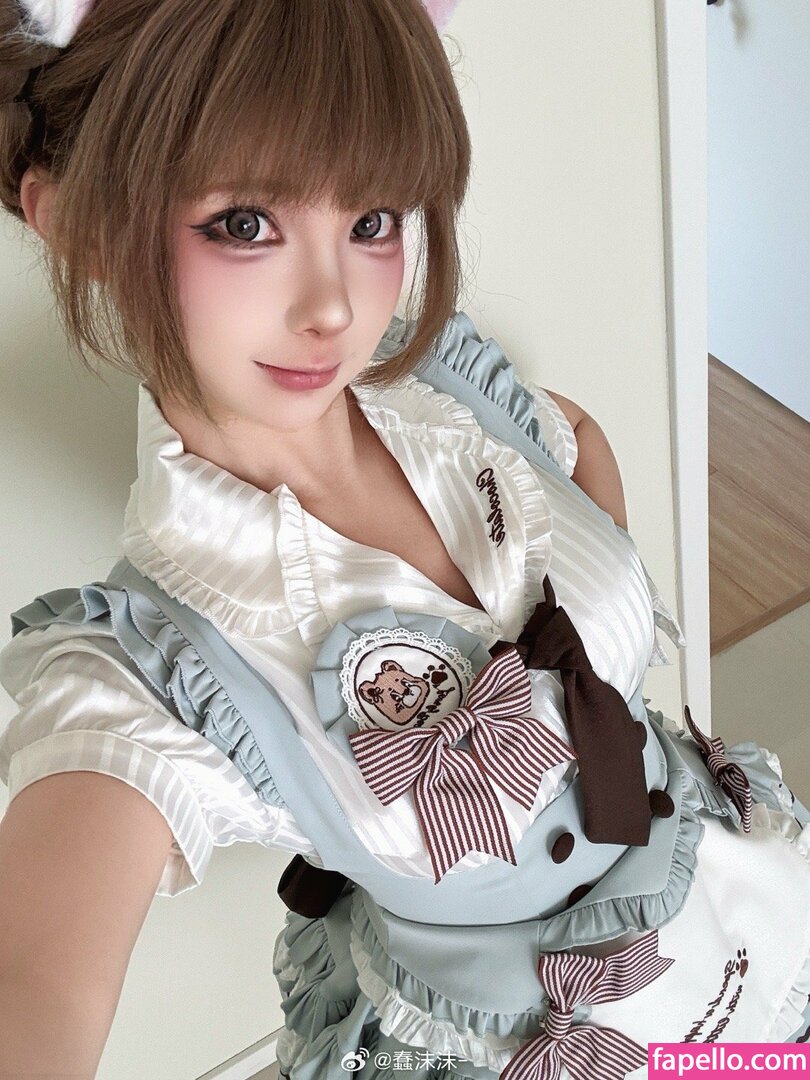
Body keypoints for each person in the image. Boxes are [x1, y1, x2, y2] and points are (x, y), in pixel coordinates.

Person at [1, 1, 808, 1078]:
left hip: (758, 920)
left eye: (372, 218)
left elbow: (579, 441)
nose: (334, 306)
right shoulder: (156, 670)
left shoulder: (451, 392)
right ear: (84, 228)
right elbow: (38, 986)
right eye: (244, 223)